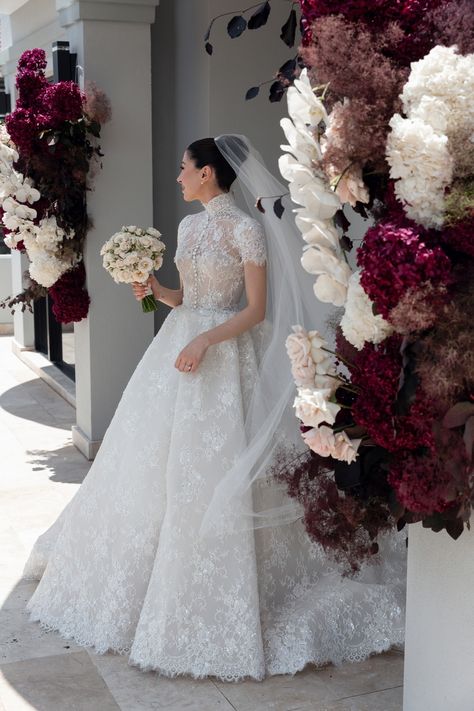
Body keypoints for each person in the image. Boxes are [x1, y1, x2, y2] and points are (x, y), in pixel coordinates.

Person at [23, 135, 406, 682]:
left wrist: (205, 342)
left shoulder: (246, 230)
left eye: (184, 168)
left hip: (225, 359)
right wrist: (154, 289)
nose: (178, 177)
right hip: (177, 348)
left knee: (223, 468)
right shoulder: (187, 227)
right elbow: (189, 298)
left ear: (208, 173)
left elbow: (254, 311)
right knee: (152, 463)